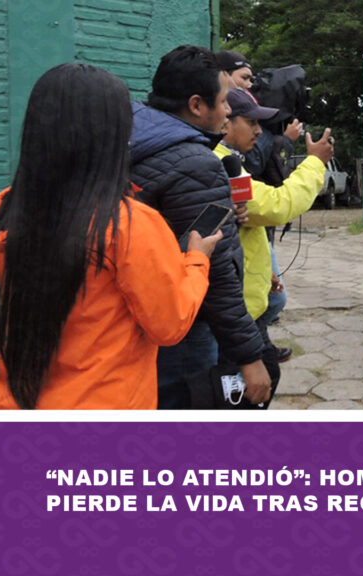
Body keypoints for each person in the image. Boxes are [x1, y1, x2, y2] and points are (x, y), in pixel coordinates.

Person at [0, 63, 220, 409]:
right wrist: (197, 259)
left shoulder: (2, 207)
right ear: (115, 135)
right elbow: (169, 324)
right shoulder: (130, 224)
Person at [129, 46, 271, 408]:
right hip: (184, 326)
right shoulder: (195, 162)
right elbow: (217, 272)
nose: (228, 111)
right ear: (196, 105)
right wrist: (250, 358)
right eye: (224, 102)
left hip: (137, 322)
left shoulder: (130, 139)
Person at [214, 88, 332, 351]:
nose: (259, 131)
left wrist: (264, 272)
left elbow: (249, 220)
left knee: (275, 303)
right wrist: (315, 163)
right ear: (225, 121)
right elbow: (276, 205)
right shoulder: (220, 163)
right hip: (233, 304)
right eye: (252, 123)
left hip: (246, 285)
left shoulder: (232, 160)